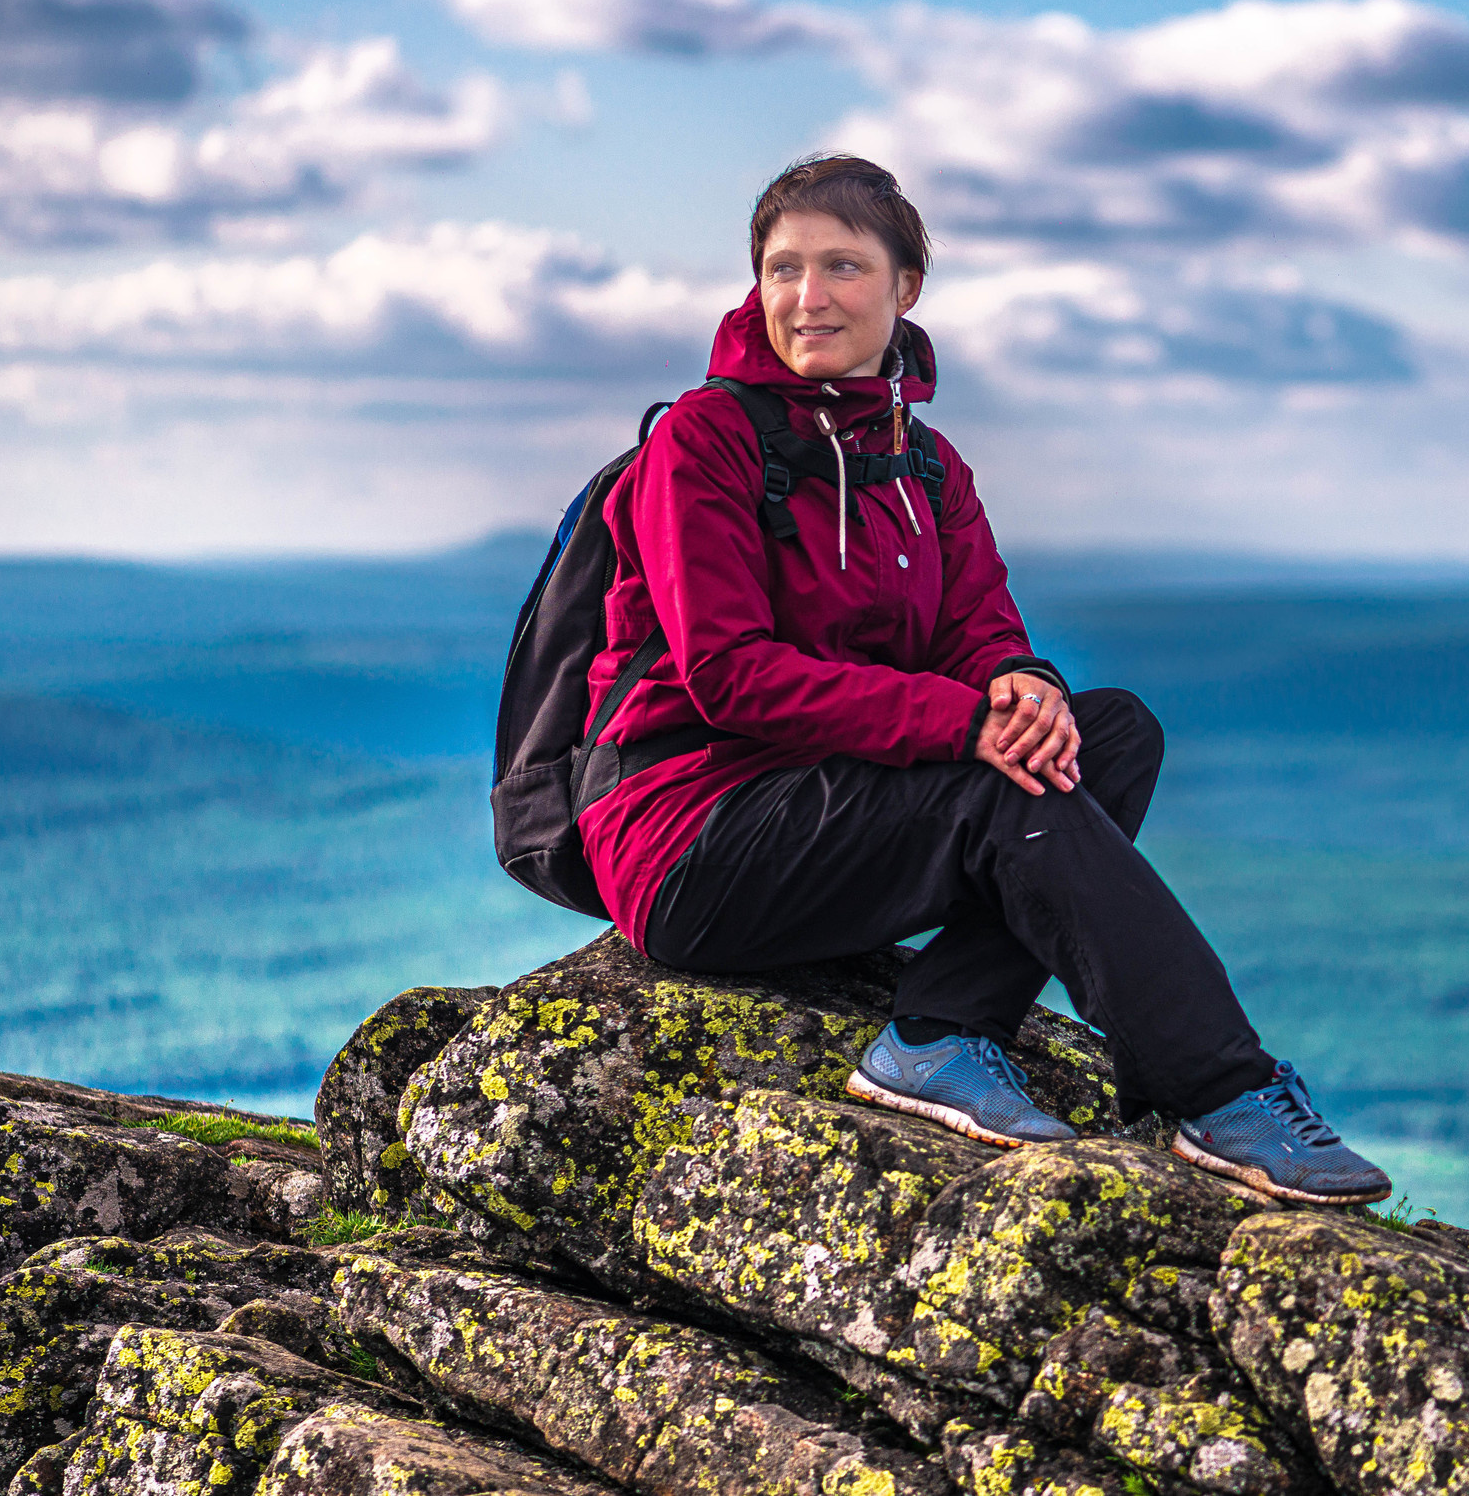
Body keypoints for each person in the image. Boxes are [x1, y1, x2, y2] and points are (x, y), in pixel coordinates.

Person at [574, 153, 1391, 1206]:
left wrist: (1021, 685)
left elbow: (980, 627)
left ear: (906, 286)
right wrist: (970, 725)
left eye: (841, 267)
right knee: (1003, 780)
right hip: (692, 834)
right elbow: (730, 675)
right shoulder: (707, 440)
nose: (807, 297)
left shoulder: (924, 461)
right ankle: (1221, 1089)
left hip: (837, 809)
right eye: (782, 269)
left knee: (1110, 734)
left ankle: (940, 1030)